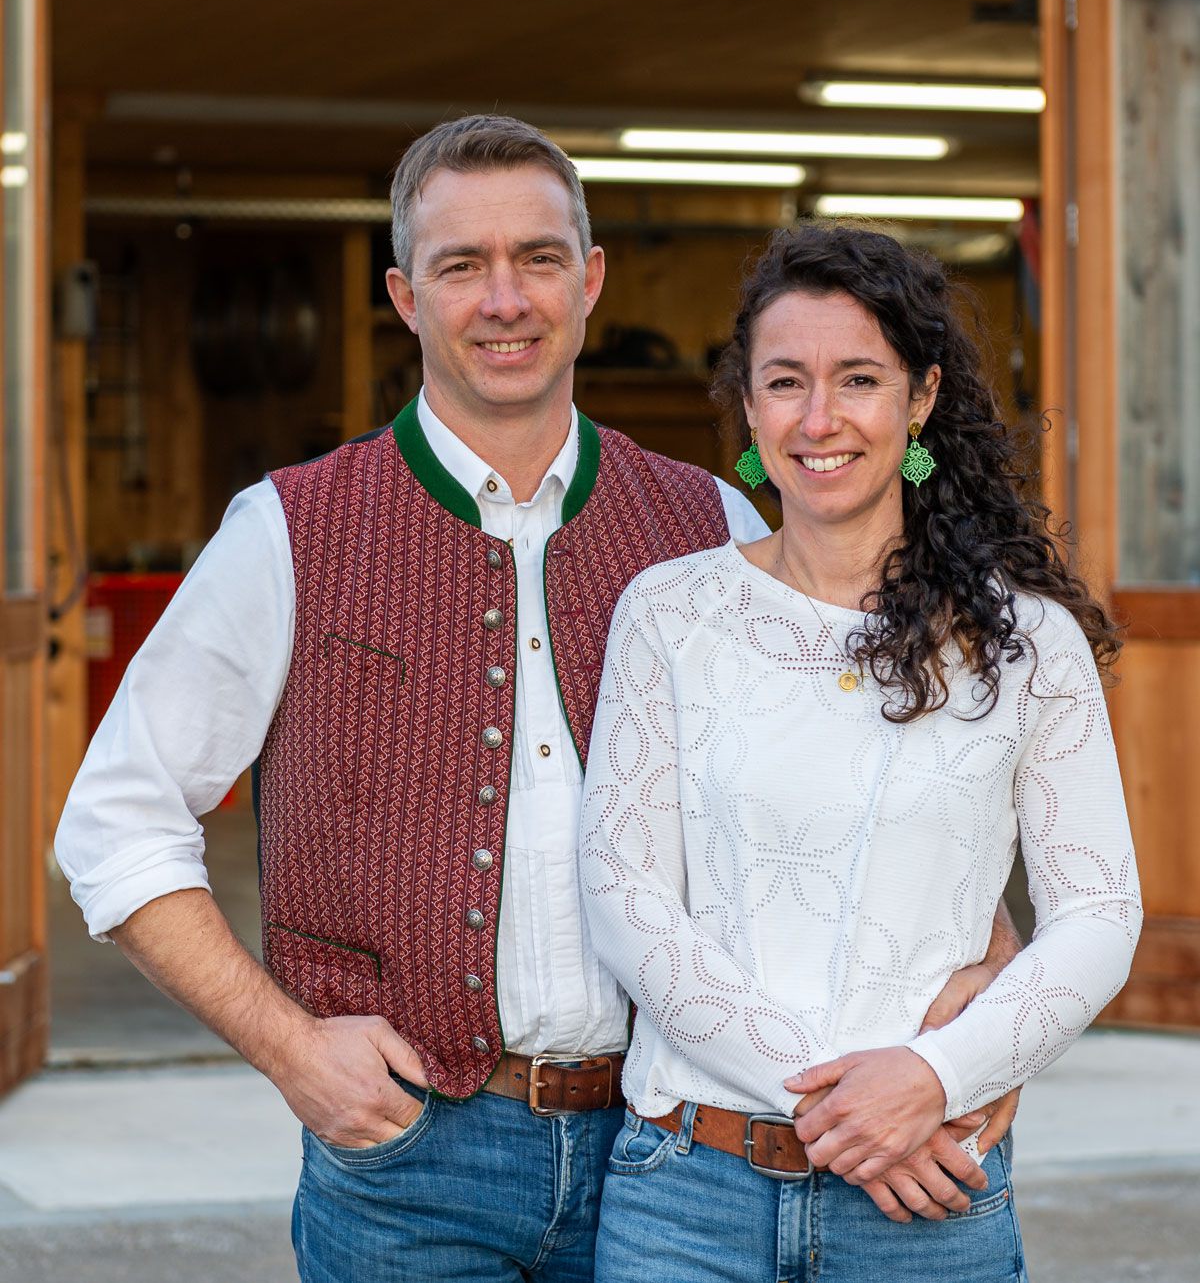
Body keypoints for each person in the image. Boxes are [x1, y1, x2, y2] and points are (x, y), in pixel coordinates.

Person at [58, 125, 1019, 1283]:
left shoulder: (713, 524)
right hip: (413, 1160)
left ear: (591, 278)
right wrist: (289, 1047)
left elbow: (869, 788)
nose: (504, 299)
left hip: (671, 1153)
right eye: (462, 265)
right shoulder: (289, 532)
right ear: (407, 297)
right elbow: (115, 825)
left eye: (539, 258)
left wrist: (988, 958)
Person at [580, 222, 1142, 1283]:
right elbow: (624, 895)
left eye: (859, 379)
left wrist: (938, 1074)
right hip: (691, 1191)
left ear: (920, 399)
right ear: (748, 406)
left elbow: (1101, 912)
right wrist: (856, 1104)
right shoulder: (670, 615)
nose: (820, 418)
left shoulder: (1023, 643)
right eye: (785, 381)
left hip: (929, 1195)